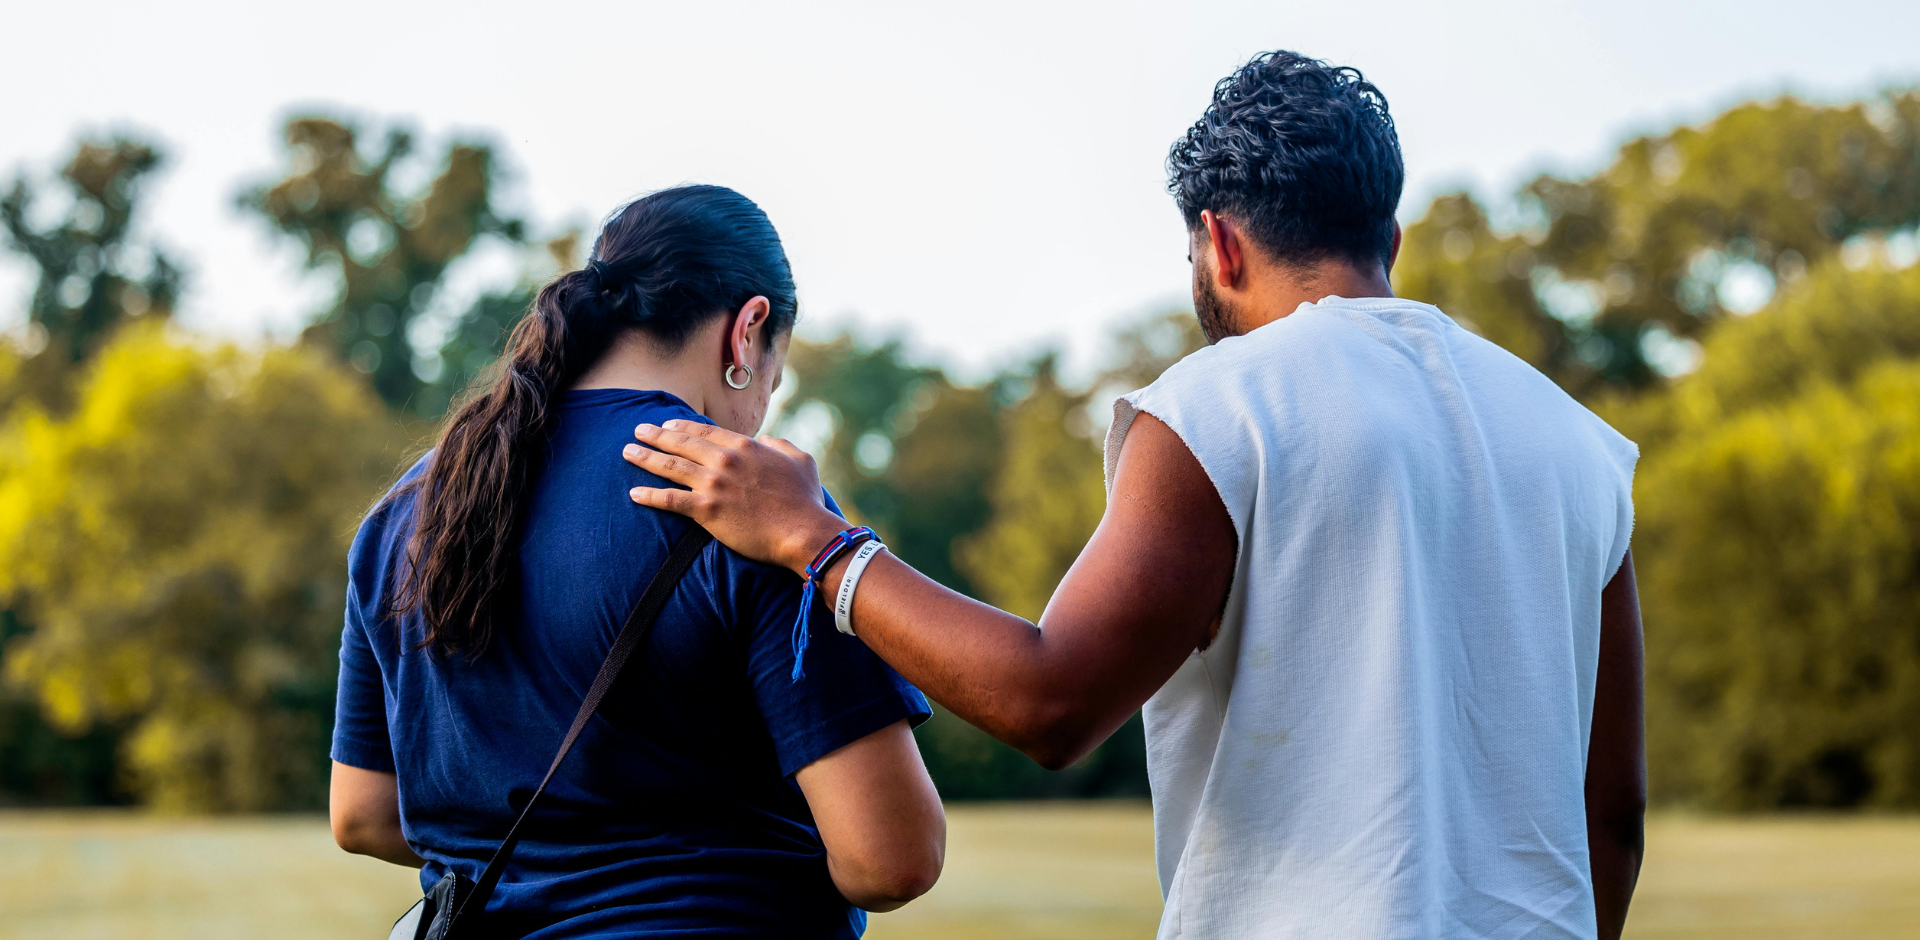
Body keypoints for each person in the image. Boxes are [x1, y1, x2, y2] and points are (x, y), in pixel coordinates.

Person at [618, 53, 1646, 940]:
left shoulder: (1224, 406)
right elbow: (1615, 815)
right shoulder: (1579, 444)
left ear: (1219, 243)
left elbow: (1052, 702)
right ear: (1391, 237)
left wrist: (816, 540)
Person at [328, 185, 945, 939]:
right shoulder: (756, 508)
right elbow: (891, 859)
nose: (762, 412)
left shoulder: (410, 509)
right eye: (774, 376)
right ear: (747, 333)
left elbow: (363, 814)